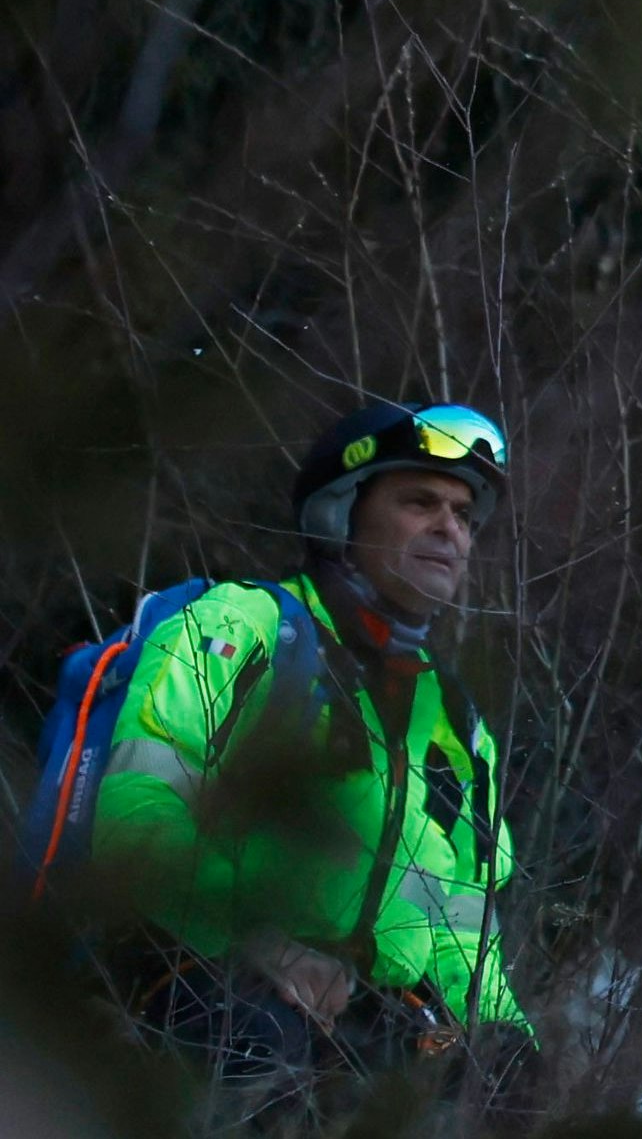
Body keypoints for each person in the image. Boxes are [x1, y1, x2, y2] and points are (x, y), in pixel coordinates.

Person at [87, 401, 527, 1126]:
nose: (451, 532)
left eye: (464, 516)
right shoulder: (241, 626)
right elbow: (134, 820)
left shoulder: (452, 719)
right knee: (262, 1053)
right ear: (339, 515)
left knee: (487, 1089)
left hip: (367, 1014)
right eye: (420, 502)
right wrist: (261, 940)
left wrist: (508, 1043)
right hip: (195, 967)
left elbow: (462, 923)